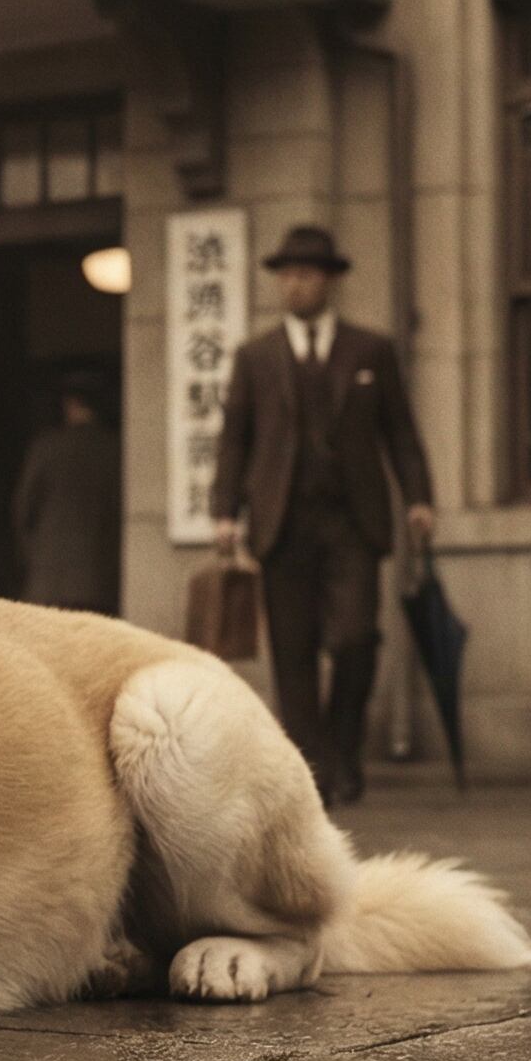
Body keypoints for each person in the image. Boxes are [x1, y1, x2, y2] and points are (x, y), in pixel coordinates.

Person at [211, 225, 434, 806]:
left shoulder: (371, 351)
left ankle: (343, 747)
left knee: (356, 638)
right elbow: (234, 440)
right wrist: (225, 511)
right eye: (286, 275)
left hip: (351, 523)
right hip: (282, 523)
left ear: (329, 281)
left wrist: (418, 497)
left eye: (306, 275)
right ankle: (311, 770)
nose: (295, 285)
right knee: (293, 654)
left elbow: (400, 433)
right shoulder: (255, 357)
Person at [13, 372, 121, 613]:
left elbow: (23, 508)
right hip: (97, 579)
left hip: (47, 576)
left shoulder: (46, 447)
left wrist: (29, 554)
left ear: (70, 404)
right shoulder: (113, 449)